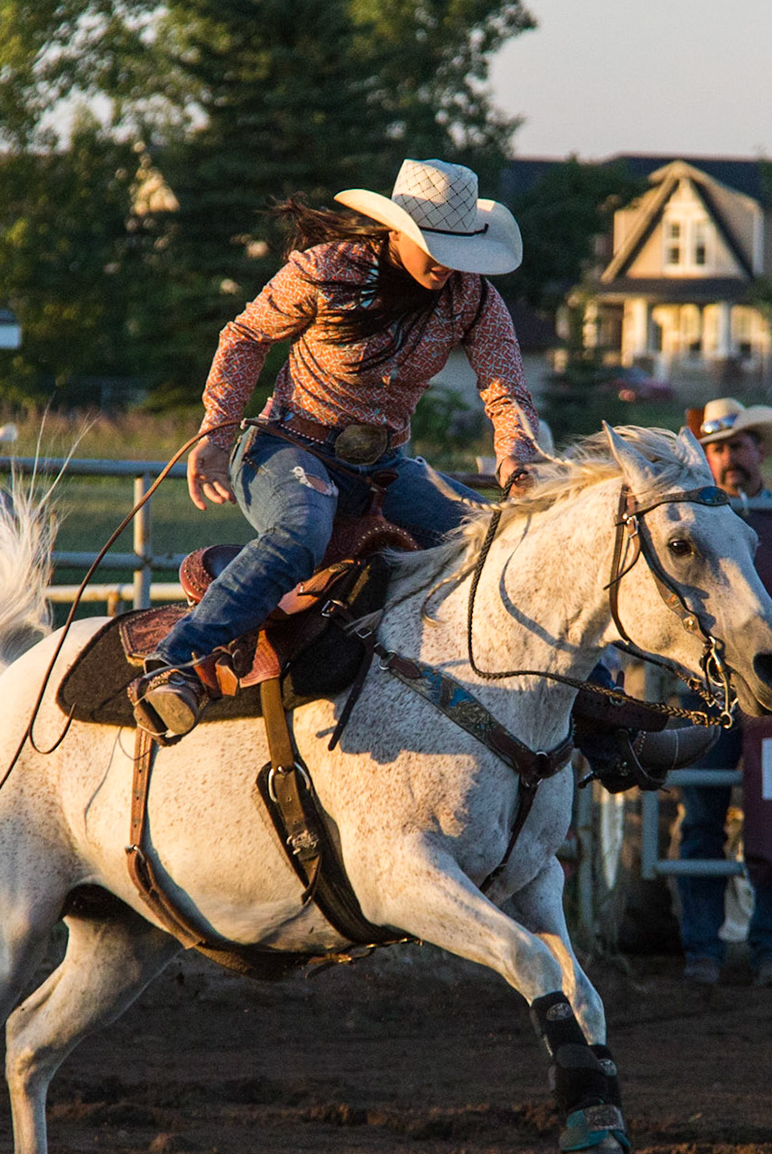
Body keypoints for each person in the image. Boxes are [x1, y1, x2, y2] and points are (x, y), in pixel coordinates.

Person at [132, 159, 542, 735]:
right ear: (396, 232)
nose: (446, 264)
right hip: (289, 447)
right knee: (301, 531)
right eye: (434, 247)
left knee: (495, 541)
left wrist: (518, 457)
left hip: (383, 467)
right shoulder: (327, 270)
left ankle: (590, 715)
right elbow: (245, 336)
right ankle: (177, 663)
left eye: (457, 251)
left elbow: (506, 388)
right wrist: (218, 432)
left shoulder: (472, 298)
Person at [672, 398, 772, 988]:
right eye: (718, 449)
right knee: (702, 816)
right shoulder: (692, 523)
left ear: (759, 451)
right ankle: (703, 950)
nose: (729, 459)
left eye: (738, 446)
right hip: (708, 685)